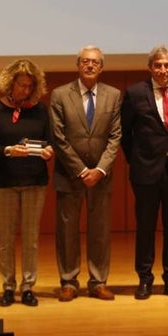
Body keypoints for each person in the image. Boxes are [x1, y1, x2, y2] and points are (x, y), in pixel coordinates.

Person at [49, 45, 123, 301]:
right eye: (85, 61)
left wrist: (100, 169)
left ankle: (98, 282)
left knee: (100, 231)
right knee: (67, 231)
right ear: (78, 65)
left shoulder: (113, 95)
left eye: (95, 62)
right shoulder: (60, 94)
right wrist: (81, 170)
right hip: (69, 174)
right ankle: (69, 282)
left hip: (101, 175)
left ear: (101, 67)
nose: (90, 65)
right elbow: (58, 137)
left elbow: (115, 136)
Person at [121, 45, 168, 300]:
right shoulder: (134, 93)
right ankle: (145, 279)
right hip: (145, 171)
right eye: (158, 65)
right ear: (150, 68)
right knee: (145, 227)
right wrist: (137, 160)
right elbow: (126, 133)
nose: (163, 70)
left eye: (167, 65)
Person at [0, 58, 54, 308]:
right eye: (21, 85)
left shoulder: (40, 110)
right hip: (4, 181)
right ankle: (8, 286)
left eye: (30, 86)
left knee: (30, 238)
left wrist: (48, 151)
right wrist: (8, 150)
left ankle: (27, 287)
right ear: (10, 83)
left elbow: (49, 141)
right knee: (6, 239)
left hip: (35, 180)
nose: (26, 90)